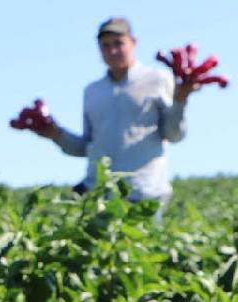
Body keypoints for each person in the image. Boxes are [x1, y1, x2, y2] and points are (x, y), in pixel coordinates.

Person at [32, 17, 193, 210]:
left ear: (133, 43)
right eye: (105, 46)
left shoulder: (157, 79)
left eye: (118, 43)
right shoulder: (93, 91)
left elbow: (174, 135)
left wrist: (180, 100)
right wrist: (56, 135)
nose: (112, 51)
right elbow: (88, 147)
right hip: (99, 195)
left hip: (143, 193)